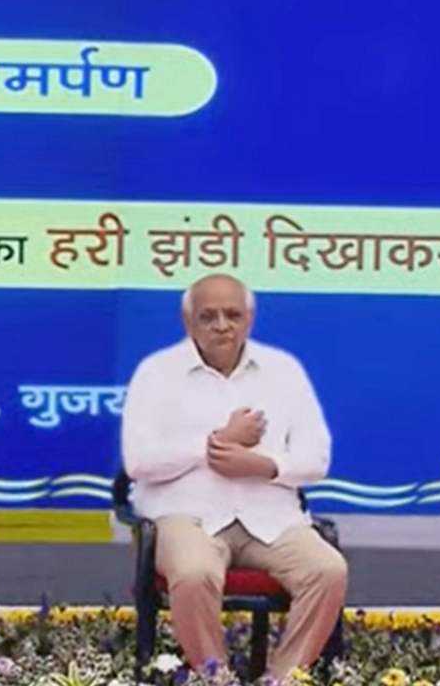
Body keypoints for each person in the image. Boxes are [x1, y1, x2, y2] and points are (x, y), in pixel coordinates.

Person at [121, 273, 346, 678]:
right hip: (187, 517)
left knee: (328, 570)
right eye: (208, 316)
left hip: (271, 518)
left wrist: (264, 466)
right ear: (188, 322)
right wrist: (216, 443)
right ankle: (214, 676)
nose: (222, 325)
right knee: (193, 573)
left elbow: (317, 458)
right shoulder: (156, 373)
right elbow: (139, 461)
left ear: (250, 319)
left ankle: (283, 678)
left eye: (232, 315)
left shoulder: (284, 371)